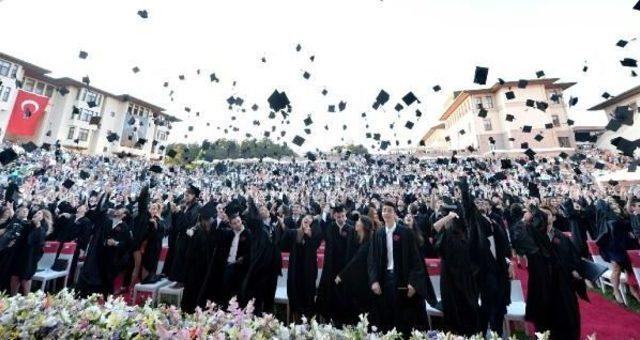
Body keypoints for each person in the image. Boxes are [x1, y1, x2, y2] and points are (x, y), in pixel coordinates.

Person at [511, 203, 586, 340]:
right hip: (543, 288)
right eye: (541, 215)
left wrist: (575, 270)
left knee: (569, 323)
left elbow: (574, 258)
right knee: (545, 327)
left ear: (554, 218)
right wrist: (524, 220)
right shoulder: (533, 238)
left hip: (564, 288)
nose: (544, 218)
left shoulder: (562, 238)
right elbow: (517, 235)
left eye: (547, 215)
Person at [367, 200, 436, 335]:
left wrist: (413, 283)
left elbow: (416, 260)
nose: (386, 213)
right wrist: (374, 280)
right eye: (384, 210)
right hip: (384, 279)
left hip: (402, 280)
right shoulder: (378, 234)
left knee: (404, 317)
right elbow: (372, 260)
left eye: (389, 210)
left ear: (395, 213)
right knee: (386, 316)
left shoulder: (405, 233)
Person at [316, 204, 359, 326]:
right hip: (331, 268)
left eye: (343, 216)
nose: (341, 218)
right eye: (338, 216)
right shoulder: (330, 228)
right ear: (334, 215)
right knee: (330, 297)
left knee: (344, 298)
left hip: (345, 269)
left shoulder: (351, 230)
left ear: (346, 216)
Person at [241, 195, 282, 315]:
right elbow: (252, 217)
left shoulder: (275, 225)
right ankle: (257, 318)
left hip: (273, 268)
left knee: (270, 296)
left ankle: (268, 320)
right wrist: (251, 201)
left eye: (265, 209)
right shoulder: (257, 227)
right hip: (261, 268)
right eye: (260, 210)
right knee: (258, 296)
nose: (263, 210)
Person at [279, 212, 322, 321]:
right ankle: (296, 323)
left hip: (309, 273)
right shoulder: (293, 233)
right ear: (302, 220)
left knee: (308, 299)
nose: (307, 219)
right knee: (295, 298)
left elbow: (315, 248)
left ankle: (308, 324)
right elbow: (283, 245)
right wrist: (282, 225)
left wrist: (309, 235)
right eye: (305, 217)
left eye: (310, 219)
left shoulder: (315, 234)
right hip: (295, 272)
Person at [335, 215, 375, 324]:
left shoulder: (369, 242)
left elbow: (356, 261)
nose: (356, 222)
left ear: (364, 226)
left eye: (359, 221)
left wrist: (341, 275)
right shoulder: (357, 238)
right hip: (356, 280)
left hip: (363, 283)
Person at [181, 202, 216, 313]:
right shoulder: (199, 233)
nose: (212, 222)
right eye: (210, 220)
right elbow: (192, 254)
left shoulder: (200, 231)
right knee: (192, 294)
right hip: (195, 270)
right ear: (206, 220)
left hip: (196, 270)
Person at [167, 185, 201, 288]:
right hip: (181, 235)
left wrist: (181, 212)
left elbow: (194, 222)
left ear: (193, 195)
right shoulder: (185, 205)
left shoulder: (198, 207)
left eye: (188, 195)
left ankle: (183, 280)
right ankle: (178, 279)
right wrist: (176, 212)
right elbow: (179, 221)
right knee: (179, 257)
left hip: (190, 237)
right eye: (185, 195)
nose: (185, 197)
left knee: (185, 258)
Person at [10, 208, 46, 295]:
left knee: (25, 279)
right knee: (15, 277)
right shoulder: (27, 225)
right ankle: (12, 298)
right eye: (36, 212)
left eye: (40, 213)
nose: (36, 214)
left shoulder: (42, 229)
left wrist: (37, 225)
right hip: (19, 254)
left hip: (30, 257)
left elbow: (33, 240)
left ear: (43, 218)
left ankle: (28, 301)